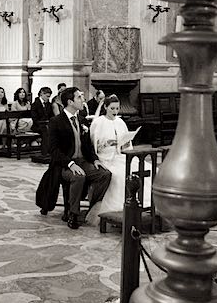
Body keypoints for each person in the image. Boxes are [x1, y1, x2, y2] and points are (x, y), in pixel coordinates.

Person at [37, 87, 112, 230]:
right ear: (70, 102)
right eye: (79, 97)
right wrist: (70, 164)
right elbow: (53, 150)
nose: (83, 100)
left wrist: (95, 159)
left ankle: (92, 209)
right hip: (64, 164)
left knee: (105, 174)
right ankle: (73, 214)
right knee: (79, 176)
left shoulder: (81, 119)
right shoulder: (56, 121)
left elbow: (88, 145)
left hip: (83, 161)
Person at [83, 95, 153, 226]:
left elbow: (126, 144)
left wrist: (125, 142)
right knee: (121, 175)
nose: (115, 111)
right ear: (105, 107)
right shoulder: (99, 122)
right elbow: (92, 145)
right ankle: (122, 209)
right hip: (105, 158)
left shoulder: (120, 122)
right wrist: (107, 144)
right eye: (112, 108)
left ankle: (146, 204)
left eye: (117, 108)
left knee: (145, 169)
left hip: (119, 155)